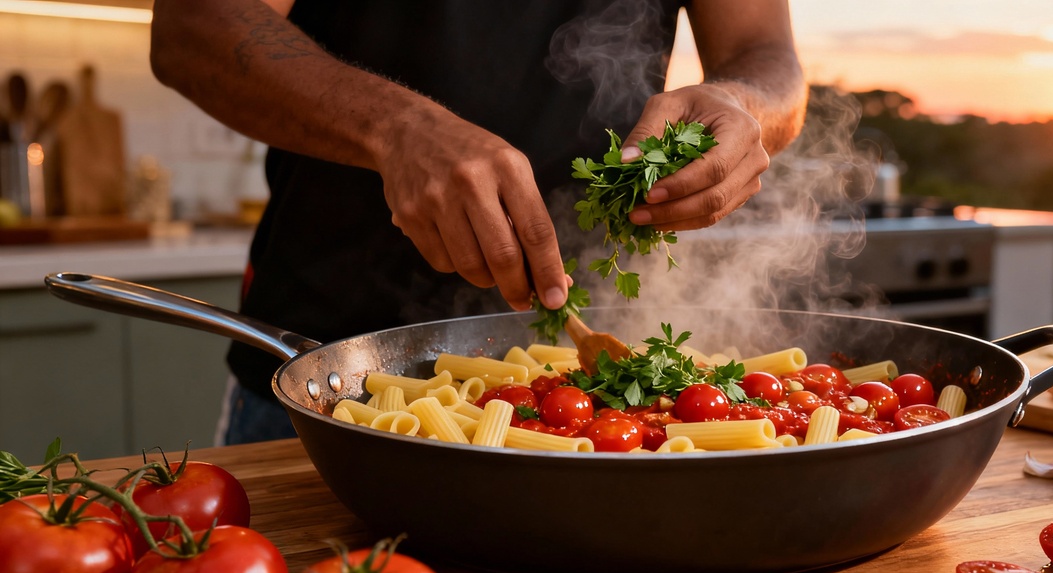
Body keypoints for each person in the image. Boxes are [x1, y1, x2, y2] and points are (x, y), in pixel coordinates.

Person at [149, 0, 807, 444]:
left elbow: (765, 55)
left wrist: (743, 104)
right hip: (330, 384)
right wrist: (393, 127)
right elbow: (191, 26)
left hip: (608, 394)